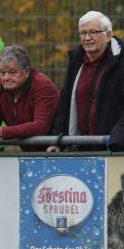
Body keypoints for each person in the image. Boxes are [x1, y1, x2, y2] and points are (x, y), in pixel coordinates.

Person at [48, 11, 124, 152]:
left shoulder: (120, 63)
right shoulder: (76, 62)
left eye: (93, 32)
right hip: (80, 147)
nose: (87, 38)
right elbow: (65, 104)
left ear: (108, 35)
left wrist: (117, 141)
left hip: (113, 148)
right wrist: (56, 140)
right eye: (83, 33)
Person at [0, 45, 59, 146]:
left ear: (27, 71)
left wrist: (3, 132)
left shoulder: (43, 86)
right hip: (29, 150)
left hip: (56, 149)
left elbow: (41, 126)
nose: (6, 78)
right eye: (3, 73)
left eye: (12, 72)